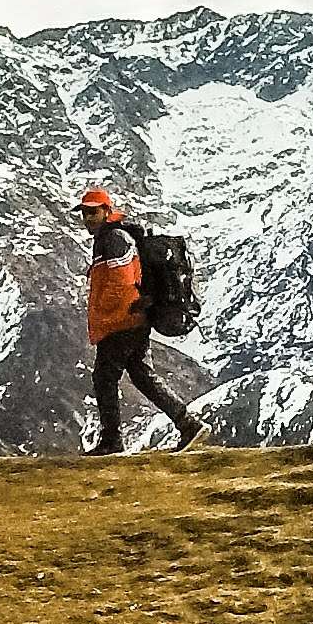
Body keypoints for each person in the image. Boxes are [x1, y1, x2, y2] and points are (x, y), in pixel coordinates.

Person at [78, 184, 201, 455]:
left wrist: (104, 309)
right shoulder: (116, 236)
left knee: (104, 377)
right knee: (142, 374)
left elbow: (121, 282)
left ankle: (112, 441)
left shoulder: (113, 239)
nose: (87, 218)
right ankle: (187, 424)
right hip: (134, 319)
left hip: (122, 321)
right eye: (85, 213)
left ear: (106, 211)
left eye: (93, 212)